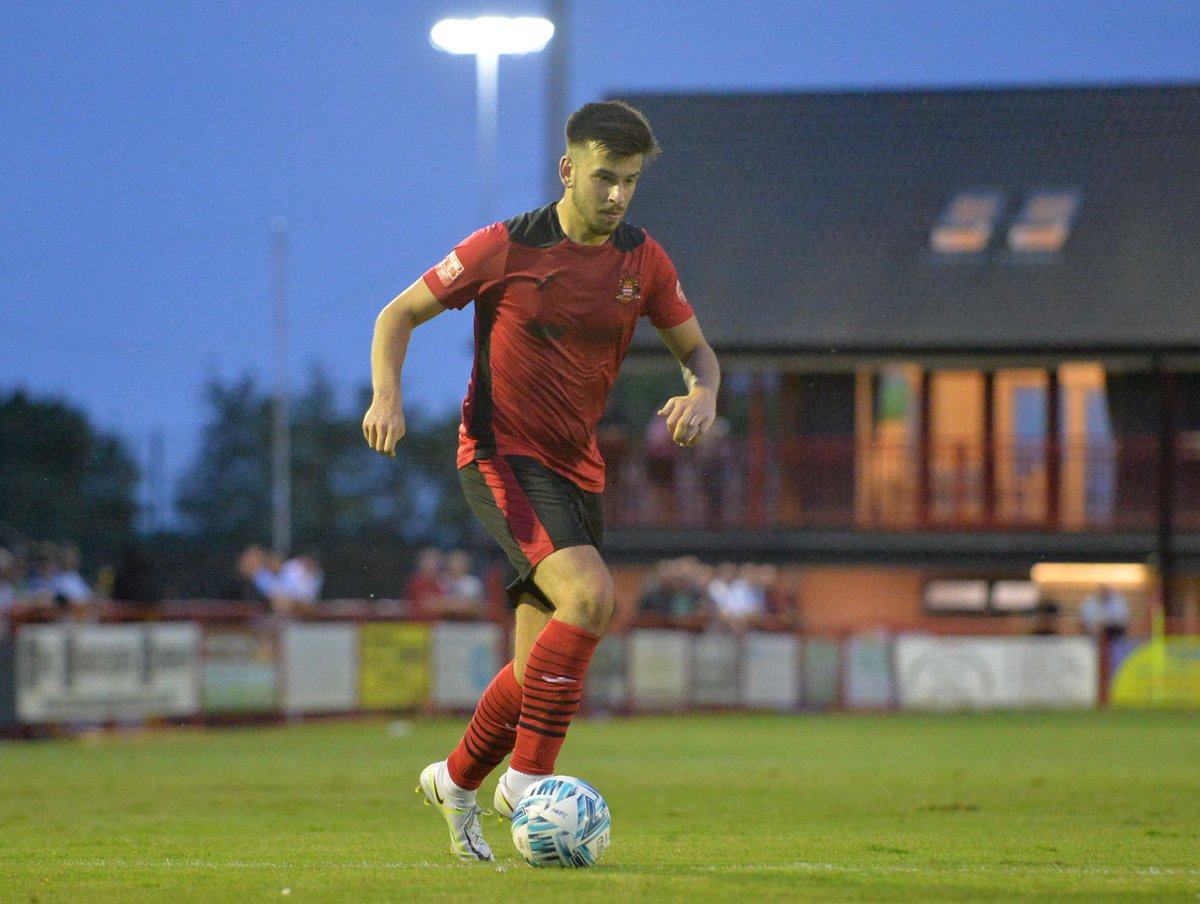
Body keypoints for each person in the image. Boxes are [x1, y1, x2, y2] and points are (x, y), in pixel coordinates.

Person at [362, 100, 720, 862]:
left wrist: (704, 391)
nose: (617, 195)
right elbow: (398, 314)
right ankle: (528, 783)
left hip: (577, 471)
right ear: (567, 170)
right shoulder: (504, 247)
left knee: (534, 673)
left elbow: (700, 353)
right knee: (591, 599)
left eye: (628, 181)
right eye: (603, 178)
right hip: (500, 456)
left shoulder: (643, 260)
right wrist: (386, 394)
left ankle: (454, 782)